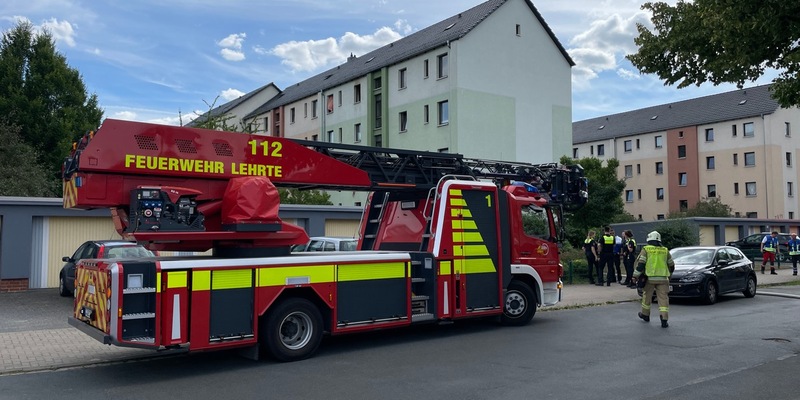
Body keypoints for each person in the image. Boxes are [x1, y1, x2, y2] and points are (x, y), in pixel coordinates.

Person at [632, 231, 675, 328]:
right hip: (663, 279)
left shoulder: (646, 249)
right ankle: (664, 319)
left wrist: (635, 276)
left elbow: (641, 265)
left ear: (649, 240)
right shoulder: (665, 250)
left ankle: (645, 315)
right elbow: (671, 265)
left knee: (647, 296)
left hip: (649, 279)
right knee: (663, 299)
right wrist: (670, 275)